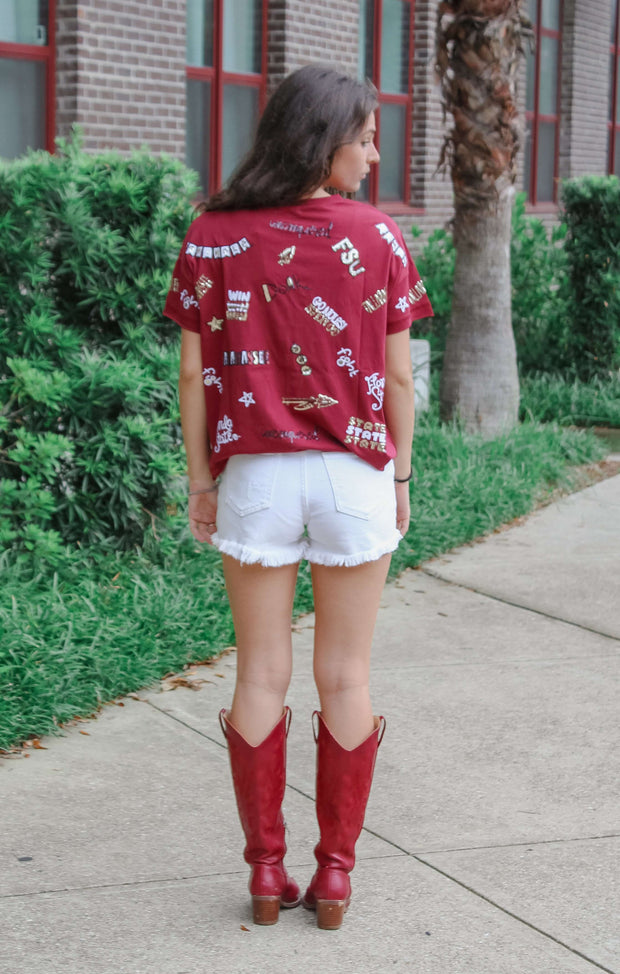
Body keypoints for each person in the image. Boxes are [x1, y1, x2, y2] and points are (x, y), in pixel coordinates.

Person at [164, 63, 433, 931]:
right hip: (354, 473)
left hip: (255, 477)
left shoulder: (212, 233)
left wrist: (203, 480)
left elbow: (196, 373)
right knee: (346, 675)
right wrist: (396, 474)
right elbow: (397, 375)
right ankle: (337, 877)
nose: (373, 156)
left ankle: (267, 873)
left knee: (260, 674)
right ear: (323, 141)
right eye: (363, 139)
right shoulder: (379, 238)